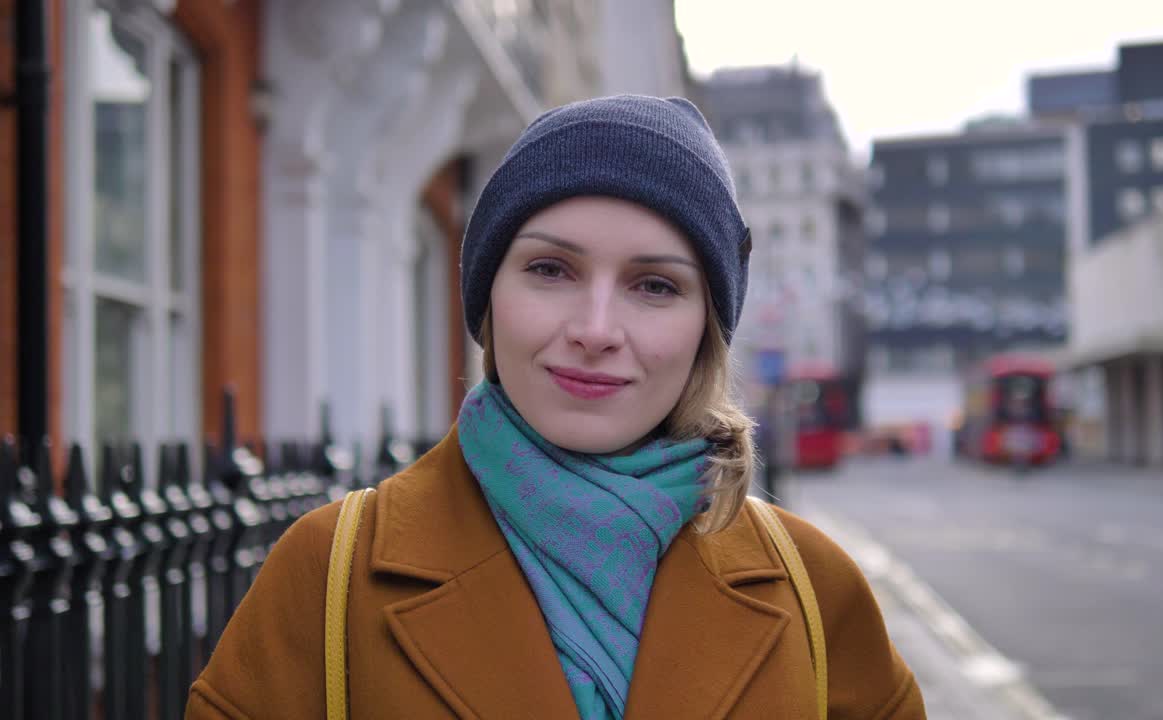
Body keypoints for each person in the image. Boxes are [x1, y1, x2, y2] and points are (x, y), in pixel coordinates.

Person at [186, 95, 925, 719]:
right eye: (550, 269)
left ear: (708, 328)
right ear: (488, 302)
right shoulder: (329, 576)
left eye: (655, 285)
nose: (596, 330)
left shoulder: (815, 591)